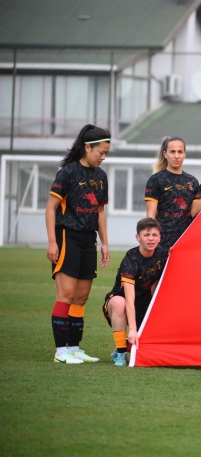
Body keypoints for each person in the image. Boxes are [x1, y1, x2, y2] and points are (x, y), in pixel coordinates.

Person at [46, 124, 110, 364]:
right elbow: (50, 208)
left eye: (106, 153)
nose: (103, 157)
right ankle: (60, 352)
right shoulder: (68, 172)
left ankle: (74, 348)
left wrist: (104, 243)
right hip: (67, 237)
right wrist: (52, 242)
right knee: (66, 295)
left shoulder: (101, 176)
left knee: (81, 298)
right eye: (100, 152)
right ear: (87, 148)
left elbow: (100, 212)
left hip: (88, 240)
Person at [102, 218, 167, 367]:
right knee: (120, 303)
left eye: (154, 235)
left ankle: (124, 346)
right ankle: (120, 353)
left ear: (160, 237)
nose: (151, 239)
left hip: (144, 304)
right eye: (146, 235)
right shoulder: (131, 259)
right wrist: (132, 330)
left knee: (148, 350)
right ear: (138, 238)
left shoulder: (163, 254)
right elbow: (129, 298)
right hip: (121, 302)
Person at [145, 136, 200, 250]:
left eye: (180, 152)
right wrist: (152, 241)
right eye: (172, 152)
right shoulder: (155, 180)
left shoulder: (192, 181)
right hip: (162, 245)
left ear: (185, 153)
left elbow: (195, 214)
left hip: (186, 244)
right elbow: (151, 216)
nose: (176, 156)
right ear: (165, 154)